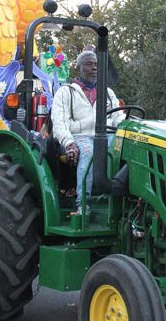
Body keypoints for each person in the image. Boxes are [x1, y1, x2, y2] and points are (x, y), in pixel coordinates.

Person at [50, 49, 125, 213]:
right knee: (89, 152)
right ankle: (83, 202)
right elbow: (59, 123)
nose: (94, 68)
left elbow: (119, 116)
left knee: (127, 150)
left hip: (106, 135)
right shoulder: (66, 92)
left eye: (96, 65)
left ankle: (123, 199)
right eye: (89, 64)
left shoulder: (107, 92)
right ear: (78, 68)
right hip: (78, 136)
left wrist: (124, 125)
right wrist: (68, 142)